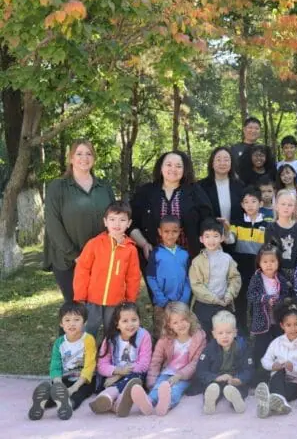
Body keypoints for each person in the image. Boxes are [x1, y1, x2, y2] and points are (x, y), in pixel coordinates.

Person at [45, 139, 115, 306]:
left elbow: (115, 218)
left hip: (100, 258)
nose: (84, 158)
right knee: (76, 309)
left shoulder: (104, 187)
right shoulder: (58, 187)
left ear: (94, 158)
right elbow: (53, 224)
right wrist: (75, 255)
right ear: (71, 158)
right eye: (79, 154)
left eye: (89, 154)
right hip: (68, 260)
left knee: (99, 307)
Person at [73, 201, 141, 338]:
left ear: (129, 223)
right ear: (105, 222)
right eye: (112, 219)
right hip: (92, 299)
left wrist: (130, 300)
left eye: (122, 220)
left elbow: (133, 277)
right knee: (88, 330)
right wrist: (80, 296)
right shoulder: (94, 244)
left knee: (112, 331)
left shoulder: (131, 249)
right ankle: (85, 351)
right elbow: (82, 270)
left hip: (116, 301)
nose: (117, 224)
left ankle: (108, 351)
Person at [130, 150, 213, 261]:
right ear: (161, 167)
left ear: (185, 170)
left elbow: (208, 221)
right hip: (153, 259)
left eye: (178, 166)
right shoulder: (146, 192)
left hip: (190, 260)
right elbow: (131, 223)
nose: (173, 169)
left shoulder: (195, 191)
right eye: (168, 165)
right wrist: (144, 244)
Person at [131, 302, 206, 416]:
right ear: (169, 325)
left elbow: (196, 363)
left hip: (186, 376)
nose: (180, 325)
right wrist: (151, 382)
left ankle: (166, 404)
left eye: (183, 320)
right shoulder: (165, 339)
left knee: (176, 390)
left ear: (190, 318)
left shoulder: (199, 338)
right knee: (158, 387)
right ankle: (148, 403)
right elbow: (156, 361)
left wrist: (180, 375)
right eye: (175, 322)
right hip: (168, 372)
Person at [28, 302, 97, 421]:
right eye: (67, 320)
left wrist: (75, 387)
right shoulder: (59, 343)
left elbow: (89, 365)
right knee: (56, 392)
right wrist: (58, 383)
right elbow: (55, 365)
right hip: (65, 378)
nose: (72, 324)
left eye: (77, 320)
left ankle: (68, 405)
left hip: (84, 380)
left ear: (84, 322)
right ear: (61, 323)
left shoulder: (88, 340)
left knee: (80, 393)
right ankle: (42, 403)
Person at [90, 302, 153, 417]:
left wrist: (120, 374)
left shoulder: (144, 336)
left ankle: (109, 396)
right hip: (113, 375)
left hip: (135, 374)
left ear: (139, 320)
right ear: (117, 324)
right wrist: (117, 371)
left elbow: (143, 365)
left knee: (134, 380)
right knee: (106, 381)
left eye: (134, 320)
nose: (130, 324)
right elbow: (102, 366)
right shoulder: (111, 339)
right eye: (125, 321)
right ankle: (116, 404)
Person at [256, 298, 297, 418]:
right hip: (278, 377)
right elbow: (265, 360)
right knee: (278, 374)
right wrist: (272, 365)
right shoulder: (277, 342)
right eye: (288, 325)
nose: (293, 328)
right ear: (282, 325)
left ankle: (272, 401)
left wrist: (294, 368)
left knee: (289, 390)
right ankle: (279, 402)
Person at [188, 311, 253, 414]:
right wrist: (215, 378)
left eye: (228, 332)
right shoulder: (209, 349)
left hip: (234, 378)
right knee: (212, 387)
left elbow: (248, 369)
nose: (225, 336)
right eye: (220, 333)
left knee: (238, 388)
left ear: (235, 332)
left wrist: (239, 379)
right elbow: (201, 370)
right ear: (214, 334)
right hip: (217, 377)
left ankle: (237, 401)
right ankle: (210, 403)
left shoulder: (242, 347)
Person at [247, 244, 292, 383]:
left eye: (272, 261)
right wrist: (265, 299)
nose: (269, 265)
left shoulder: (281, 279)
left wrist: (279, 301)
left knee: (278, 348)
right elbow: (251, 295)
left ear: (278, 262)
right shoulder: (256, 278)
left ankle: (277, 377)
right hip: (262, 322)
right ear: (259, 263)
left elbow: (286, 296)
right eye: (265, 261)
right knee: (261, 349)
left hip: (277, 321)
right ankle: (260, 379)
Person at [189, 219, 241, 336]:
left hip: (224, 303)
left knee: (223, 334)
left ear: (222, 238)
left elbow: (235, 278)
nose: (211, 240)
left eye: (215, 236)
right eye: (207, 236)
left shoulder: (227, 259)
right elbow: (196, 285)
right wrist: (214, 299)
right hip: (204, 305)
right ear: (201, 239)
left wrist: (229, 295)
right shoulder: (197, 262)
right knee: (205, 336)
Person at [145, 215, 191, 339]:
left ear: (179, 232)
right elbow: (151, 278)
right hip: (161, 304)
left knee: (180, 332)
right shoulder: (156, 253)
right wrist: (161, 300)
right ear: (160, 232)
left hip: (180, 303)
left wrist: (184, 299)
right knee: (161, 333)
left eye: (174, 231)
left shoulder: (184, 253)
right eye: (166, 231)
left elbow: (188, 278)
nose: (170, 235)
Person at [231, 186, 268, 330]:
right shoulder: (237, 223)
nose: (250, 205)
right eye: (246, 202)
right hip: (240, 268)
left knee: (257, 301)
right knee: (240, 301)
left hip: (258, 270)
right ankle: (242, 331)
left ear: (261, 203)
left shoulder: (267, 225)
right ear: (242, 205)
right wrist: (226, 229)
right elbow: (229, 240)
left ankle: (257, 330)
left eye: (253, 201)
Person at [198, 146, 245, 258]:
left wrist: (230, 233)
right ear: (212, 163)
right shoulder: (201, 186)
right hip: (210, 240)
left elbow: (243, 213)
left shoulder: (240, 186)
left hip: (234, 238)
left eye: (226, 160)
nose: (222, 163)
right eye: (218, 159)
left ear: (231, 163)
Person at [265, 190, 297, 282]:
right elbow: (270, 253)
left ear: (294, 208)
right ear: (276, 206)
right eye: (283, 204)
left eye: (290, 205)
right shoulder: (271, 228)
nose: (286, 207)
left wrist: (296, 275)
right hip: (276, 274)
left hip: (296, 274)